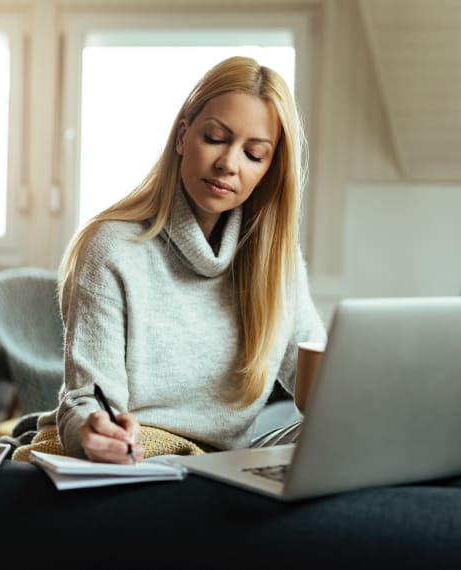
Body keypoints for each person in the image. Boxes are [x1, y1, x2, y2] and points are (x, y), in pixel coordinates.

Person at [36, 55, 327, 464]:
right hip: (141, 461)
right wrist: (94, 429)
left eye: (254, 154)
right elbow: (88, 400)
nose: (228, 164)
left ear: (269, 170)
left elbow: (324, 389)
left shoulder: (276, 260)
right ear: (182, 137)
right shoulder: (112, 248)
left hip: (223, 465)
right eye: (215, 138)